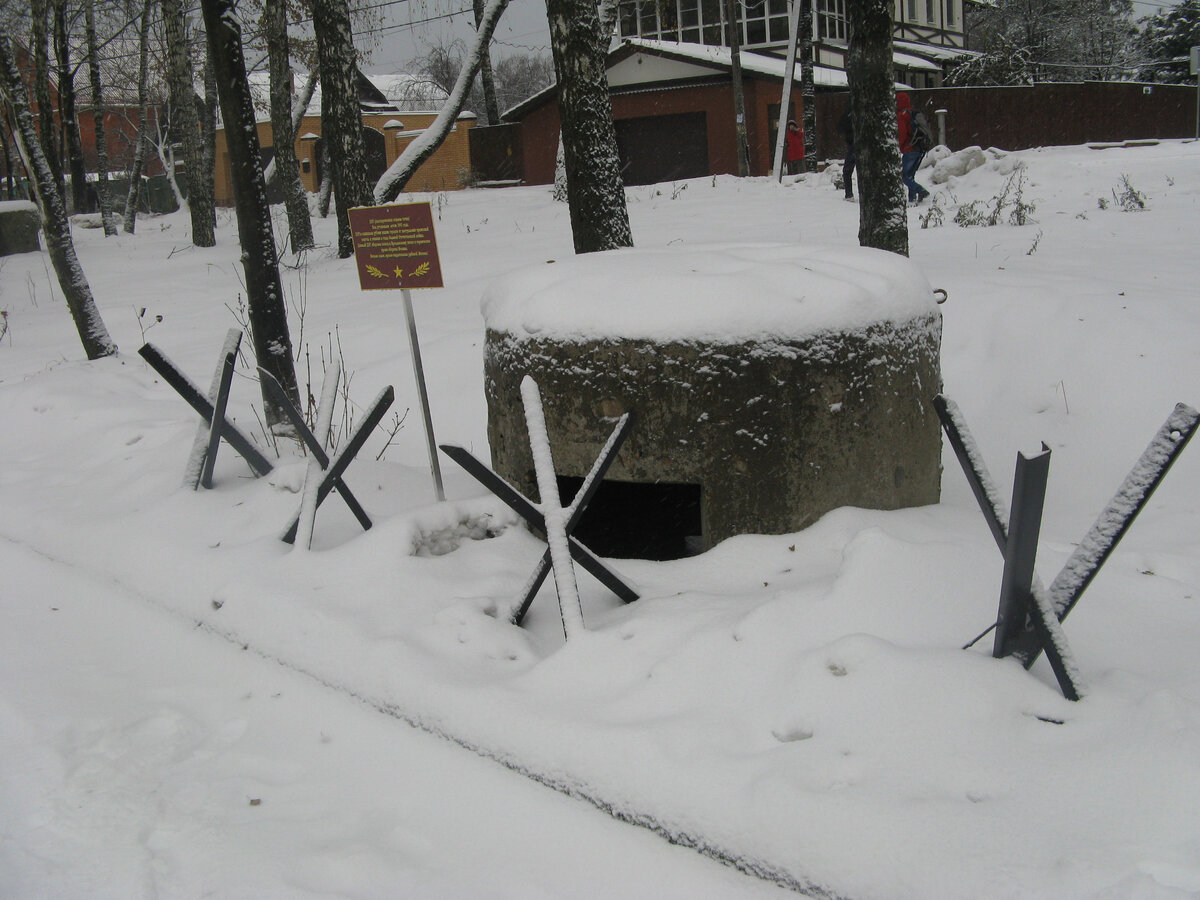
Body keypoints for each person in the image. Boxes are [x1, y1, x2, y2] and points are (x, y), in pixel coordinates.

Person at [896, 92, 931, 205]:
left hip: (909, 148)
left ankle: (921, 191)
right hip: (920, 147)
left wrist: (900, 146)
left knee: (904, 176)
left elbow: (902, 133)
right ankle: (912, 199)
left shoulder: (902, 115)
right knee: (910, 175)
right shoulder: (913, 113)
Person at [838, 108, 856, 200]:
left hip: (853, 145)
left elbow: (840, 128)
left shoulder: (848, 114)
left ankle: (849, 194)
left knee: (847, 170)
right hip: (862, 144)